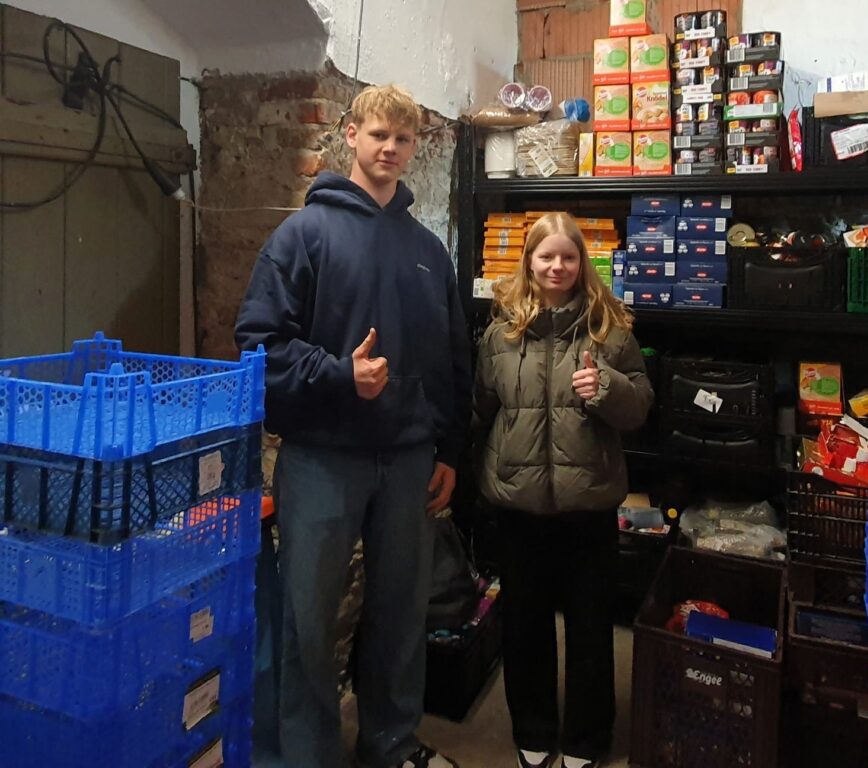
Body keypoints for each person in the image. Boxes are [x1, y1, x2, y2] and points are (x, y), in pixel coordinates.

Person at [235, 83, 470, 768]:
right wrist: (342, 374)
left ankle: (389, 747)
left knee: (400, 621)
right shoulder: (302, 235)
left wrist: (448, 447)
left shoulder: (429, 250)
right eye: (378, 135)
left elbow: (451, 359)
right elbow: (257, 345)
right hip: (320, 459)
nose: (390, 148)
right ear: (350, 137)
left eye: (403, 138)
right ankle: (300, 757)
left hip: (407, 464)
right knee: (307, 625)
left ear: (413, 148)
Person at [471, 213, 654, 768]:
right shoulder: (501, 330)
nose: (557, 266)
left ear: (583, 262)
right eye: (546, 256)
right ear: (529, 261)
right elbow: (482, 406)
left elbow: (641, 405)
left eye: (568, 257)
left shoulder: (610, 328)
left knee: (590, 626)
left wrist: (608, 388)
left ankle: (586, 737)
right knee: (524, 624)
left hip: (588, 504)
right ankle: (532, 727)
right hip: (519, 504)